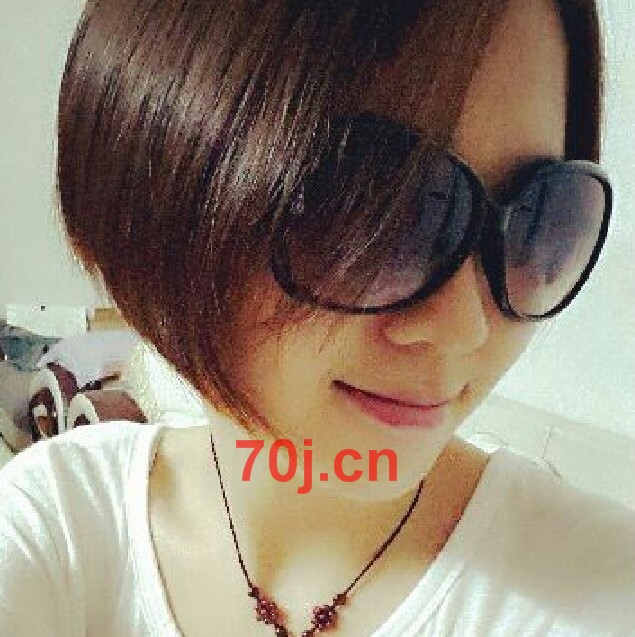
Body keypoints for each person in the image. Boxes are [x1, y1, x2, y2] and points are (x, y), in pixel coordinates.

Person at [1, 0, 634, 635]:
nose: (463, 327)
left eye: (541, 218)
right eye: (369, 211)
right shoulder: (59, 524)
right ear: (161, 188)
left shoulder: (599, 588)